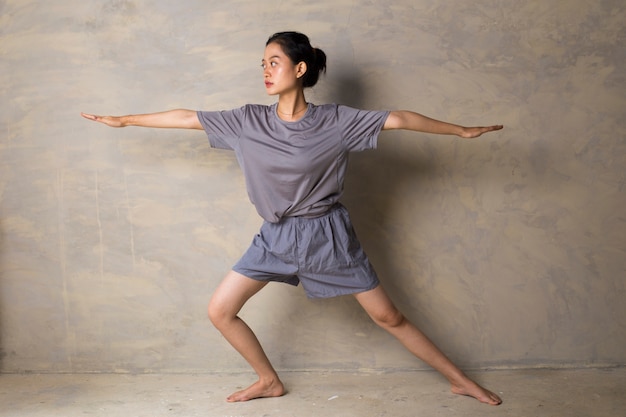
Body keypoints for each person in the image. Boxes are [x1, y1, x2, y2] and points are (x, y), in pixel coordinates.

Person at [81, 31, 503, 406]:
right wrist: (125, 120)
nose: (265, 71)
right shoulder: (247, 121)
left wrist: (461, 130)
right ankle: (268, 381)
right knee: (220, 310)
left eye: (274, 62)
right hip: (275, 237)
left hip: (328, 236)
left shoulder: (337, 122)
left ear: (300, 68)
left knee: (388, 317)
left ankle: (460, 381)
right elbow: (186, 116)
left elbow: (400, 119)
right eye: (262, 64)